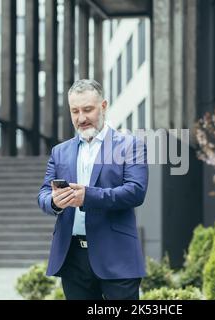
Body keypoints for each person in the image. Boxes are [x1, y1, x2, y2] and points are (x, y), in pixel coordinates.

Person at [37, 79, 148, 300]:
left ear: (104, 106)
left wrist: (88, 196)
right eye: (75, 111)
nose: (81, 118)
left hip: (117, 254)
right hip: (72, 257)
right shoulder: (60, 152)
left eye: (87, 109)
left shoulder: (130, 145)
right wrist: (54, 202)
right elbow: (43, 194)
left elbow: (135, 191)